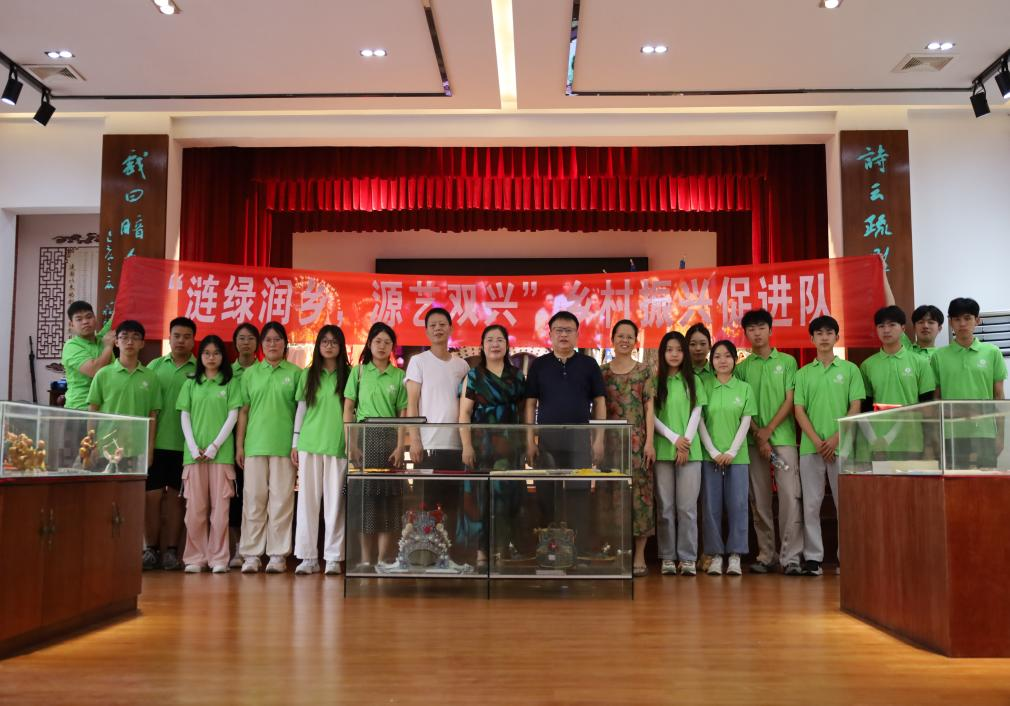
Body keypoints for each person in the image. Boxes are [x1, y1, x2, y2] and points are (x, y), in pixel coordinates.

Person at [524, 311, 606, 550]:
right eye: (558, 330)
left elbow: (599, 402)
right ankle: (548, 549)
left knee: (578, 496)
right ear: (550, 334)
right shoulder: (540, 365)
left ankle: (576, 551)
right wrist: (529, 441)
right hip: (547, 442)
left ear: (577, 335)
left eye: (568, 330)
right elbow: (530, 404)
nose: (563, 335)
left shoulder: (588, 365)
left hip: (579, 441)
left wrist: (598, 440)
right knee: (545, 495)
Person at [794, 315, 865, 576]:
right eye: (819, 333)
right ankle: (813, 559)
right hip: (810, 448)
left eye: (829, 333)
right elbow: (799, 410)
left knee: (844, 504)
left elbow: (855, 406)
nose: (824, 337)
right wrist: (816, 440)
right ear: (811, 339)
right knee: (811, 505)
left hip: (842, 446)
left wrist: (836, 437)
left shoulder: (850, 370)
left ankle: (846, 558)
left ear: (837, 337)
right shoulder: (803, 373)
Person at [735, 309, 802, 576]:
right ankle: (766, 554)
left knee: (789, 497)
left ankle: (791, 557)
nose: (757, 333)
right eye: (751, 329)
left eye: (761, 327)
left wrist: (769, 430)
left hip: (784, 440)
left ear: (771, 330)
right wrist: (758, 434)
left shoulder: (787, 362)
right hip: (753, 443)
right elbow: (742, 407)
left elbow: (790, 400)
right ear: (746, 334)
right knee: (759, 500)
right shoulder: (741, 368)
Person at [458, 324, 526, 569]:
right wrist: (467, 445)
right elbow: (464, 413)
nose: (495, 344)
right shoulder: (474, 376)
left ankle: (503, 548)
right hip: (481, 446)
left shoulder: (517, 376)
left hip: (510, 447)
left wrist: (526, 443)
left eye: (500, 340)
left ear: (507, 345)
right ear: (482, 345)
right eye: (490, 339)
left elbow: (523, 411)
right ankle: (482, 552)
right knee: (482, 498)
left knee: (509, 497)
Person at [235, 322, 301, 574]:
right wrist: (239, 445)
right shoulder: (250, 374)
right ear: (261, 345)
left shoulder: (296, 373)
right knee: (253, 499)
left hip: (284, 447)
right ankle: (251, 555)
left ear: (285, 344)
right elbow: (243, 412)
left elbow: (301, 412)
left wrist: (296, 444)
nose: (272, 344)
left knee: (281, 501)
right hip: (254, 446)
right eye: (268, 340)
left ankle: (277, 555)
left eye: (277, 339)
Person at [344, 322, 409, 571]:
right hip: (364, 438)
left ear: (393, 347)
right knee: (365, 502)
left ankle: (382, 559)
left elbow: (403, 414)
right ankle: (364, 559)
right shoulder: (359, 372)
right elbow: (348, 409)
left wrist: (400, 446)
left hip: (390, 441)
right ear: (369, 343)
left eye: (387, 342)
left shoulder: (399, 376)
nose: (382, 346)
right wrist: (351, 444)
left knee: (388, 503)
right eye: (378, 341)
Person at [177, 335, 242, 574]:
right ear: (200, 356)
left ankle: (218, 559)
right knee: (195, 510)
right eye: (206, 353)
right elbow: (184, 415)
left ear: (223, 356)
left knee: (220, 512)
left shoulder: (230, 383)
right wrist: (193, 447)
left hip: (221, 456)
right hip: (193, 456)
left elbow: (233, 416)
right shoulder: (191, 383)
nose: (211, 357)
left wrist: (215, 446)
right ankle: (195, 557)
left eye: (216, 353)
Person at [291, 326, 350, 576]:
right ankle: (308, 557)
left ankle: (333, 557)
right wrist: (295, 442)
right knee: (307, 502)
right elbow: (301, 409)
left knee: (335, 503)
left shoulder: (350, 374)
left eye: (334, 342)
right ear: (318, 345)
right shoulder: (308, 374)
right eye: (324, 341)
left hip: (338, 444)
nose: (329, 346)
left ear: (341, 346)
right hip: (309, 443)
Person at [600, 320, 656, 577]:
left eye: (629, 336)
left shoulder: (644, 371)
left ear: (636, 342)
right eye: (620, 336)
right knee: (612, 495)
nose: (624, 340)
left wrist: (650, 442)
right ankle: (617, 551)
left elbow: (649, 408)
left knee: (640, 497)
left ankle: (639, 555)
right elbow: (597, 408)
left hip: (637, 443)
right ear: (612, 340)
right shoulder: (602, 372)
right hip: (610, 444)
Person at [698, 340, 756, 577]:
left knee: (738, 506)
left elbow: (746, 421)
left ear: (735, 359)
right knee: (711, 507)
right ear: (711, 361)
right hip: (709, 456)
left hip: (737, 458)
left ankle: (735, 555)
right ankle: (715, 555)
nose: (722, 360)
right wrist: (713, 451)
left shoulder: (744, 388)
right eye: (717, 356)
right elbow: (699, 420)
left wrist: (732, 451)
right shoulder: (704, 385)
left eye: (727, 356)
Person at [144, 317, 197, 571]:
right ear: (169, 337)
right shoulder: (154, 366)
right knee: (151, 498)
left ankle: (172, 551)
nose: (181, 341)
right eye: (176, 336)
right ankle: (151, 549)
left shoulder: (201, 368)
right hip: (154, 445)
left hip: (186, 446)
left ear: (193, 340)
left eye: (186, 337)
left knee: (178, 500)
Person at [931, 298, 1007, 469]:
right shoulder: (938, 356)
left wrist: (1001, 435)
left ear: (977, 320)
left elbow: (999, 396)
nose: (962, 324)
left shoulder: (992, 352)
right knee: (955, 482)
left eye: (967, 318)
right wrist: (936, 435)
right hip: (951, 433)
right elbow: (936, 399)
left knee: (985, 481)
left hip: (985, 432)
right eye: (957, 319)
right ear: (950, 322)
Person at [652, 331, 705, 577]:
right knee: (665, 507)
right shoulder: (655, 381)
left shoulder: (693, 380)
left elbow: (697, 413)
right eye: (669, 350)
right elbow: (651, 416)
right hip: (663, 451)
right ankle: (667, 556)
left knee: (687, 508)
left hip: (691, 453)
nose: (674, 354)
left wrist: (685, 445)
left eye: (679, 350)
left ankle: (687, 557)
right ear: (662, 353)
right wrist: (675, 439)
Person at [859, 306, 936, 462]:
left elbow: (927, 408)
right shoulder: (867, 365)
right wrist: (873, 441)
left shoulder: (920, 362)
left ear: (903, 328)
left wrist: (929, 446)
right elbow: (865, 410)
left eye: (892, 325)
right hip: (879, 444)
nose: (886, 330)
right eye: (881, 326)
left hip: (913, 442)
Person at [86, 319, 160, 482]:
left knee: (132, 494)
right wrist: (92, 445)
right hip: (105, 448)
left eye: (135, 337)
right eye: (124, 337)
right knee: (105, 493)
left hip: (137, 449)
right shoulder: (103, 374)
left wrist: (150, 450)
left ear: (142, 343)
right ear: (116, 342)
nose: (129, 342)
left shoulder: (151, 377)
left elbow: (153, 415)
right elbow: (92, 411)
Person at [227, 323, 260, 568]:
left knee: (255, 496)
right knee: (235, 496)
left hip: (256, 442)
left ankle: (255, 547)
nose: (246, 343)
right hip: (228, 442)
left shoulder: (262, 371)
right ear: (235, 342)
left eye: (250, 338)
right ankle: (238, 546)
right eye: (241, 338)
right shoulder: (227, 372)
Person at [61, 300, 114, 410]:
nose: (85, 322)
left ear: (95, 319)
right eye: (79, 319)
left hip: (106, 407)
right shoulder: (71, 346)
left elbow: (117, 317)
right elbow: (95, 370)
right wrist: (109, 347)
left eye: (89, 317)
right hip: (80, 409)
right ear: (71, 324)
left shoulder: (101, 339)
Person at [686, 323, 714, 389]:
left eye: (703, 344)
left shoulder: (717, 371)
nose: (698, 348)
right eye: (693, 344)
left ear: (710, 346)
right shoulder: (680, 373)